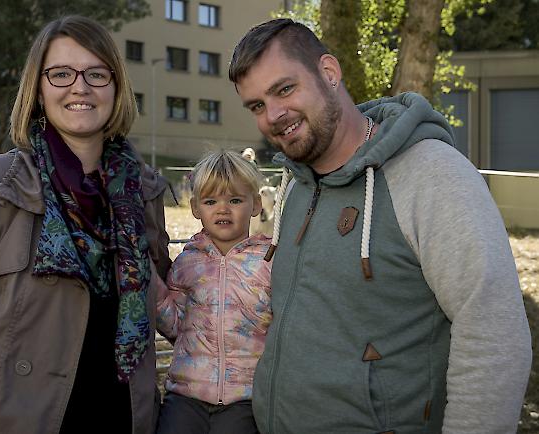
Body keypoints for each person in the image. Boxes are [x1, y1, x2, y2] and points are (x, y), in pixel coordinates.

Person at [228, 18, 532, 434]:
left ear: (329, 73)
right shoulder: (293, 186)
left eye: (284, 89)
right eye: (257, 105)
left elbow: (494, 337)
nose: (274, 115)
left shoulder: (431, 174)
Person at [0, 15, 170, 434]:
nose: (80, 87)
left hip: (122, 419)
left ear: (116, 89)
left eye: (96, 73)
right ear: (39, 91)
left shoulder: (144, 194)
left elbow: (166, 311)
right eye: (61, 74)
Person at [155, 150, 272, 434]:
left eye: (235, 200)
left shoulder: (270, 261)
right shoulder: (188, 262)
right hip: (185, 394)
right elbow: (173, 326)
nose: (223, 209)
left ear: (255, 204)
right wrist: (153, 291)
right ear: (195, 208)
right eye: (211, 201)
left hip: (246, 398)